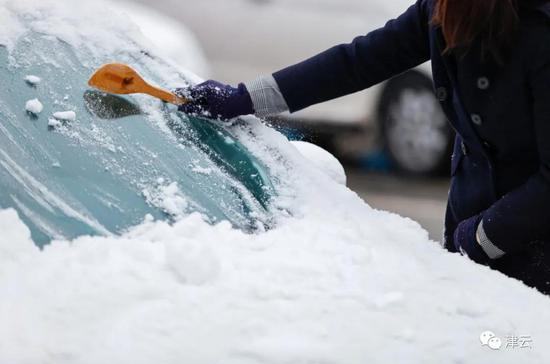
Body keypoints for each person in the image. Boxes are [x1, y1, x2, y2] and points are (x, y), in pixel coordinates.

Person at [176, 0, 550, 295]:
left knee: (519, 345)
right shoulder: (444, 9)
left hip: (532, 239)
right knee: (482, 345)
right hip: (473, 227)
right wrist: (245, 98)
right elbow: (357, 62)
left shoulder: (540, 31)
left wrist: (481, 237)